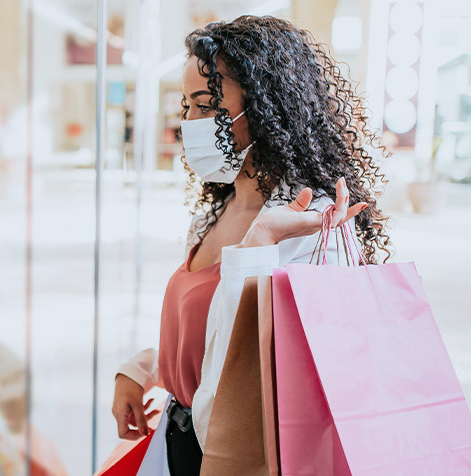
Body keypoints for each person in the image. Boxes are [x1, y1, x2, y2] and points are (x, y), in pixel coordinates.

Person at [111, 16, 391, 475]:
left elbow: (273, 370)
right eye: (186, 106)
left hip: (245, 455)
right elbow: (207, 338)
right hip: (183, 440)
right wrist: (141, 369)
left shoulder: (314, 223)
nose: (190, 123)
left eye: (207, 105)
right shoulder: (212, 215)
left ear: (266, 107)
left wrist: (259, 244)